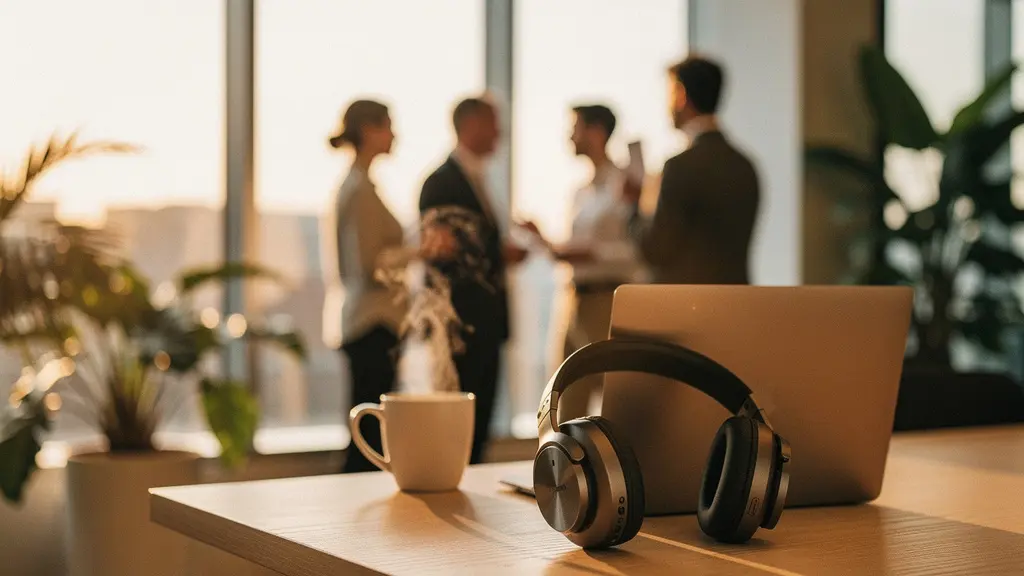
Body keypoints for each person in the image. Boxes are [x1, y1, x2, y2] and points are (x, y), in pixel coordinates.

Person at [325, 99, 455, 473]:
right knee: (367, 437)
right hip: (372, 322)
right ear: (369, 130)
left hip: (371, 321)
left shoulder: (359, 185)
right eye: (388, 126)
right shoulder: (359, 189)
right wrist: (422, 250)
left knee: (369, 431)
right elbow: (371, 264)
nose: (395, 135)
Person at [419, 96, 529, 464]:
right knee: (457, 429)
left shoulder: (477, 179)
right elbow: (440, 252)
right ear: (471, 125)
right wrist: (499, 255)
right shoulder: (440, 182)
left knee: (477, 428)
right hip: (460, 324)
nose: (500, 132)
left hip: (484, 323)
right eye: (494, 123)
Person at [540, 104, 646, 421]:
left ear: (597, 132)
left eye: (576, 128)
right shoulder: (580, 190)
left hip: (606, 301)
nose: (570, 136)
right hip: (573, 299)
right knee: (565, 397)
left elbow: (636, 250)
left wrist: (592, 253)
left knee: (614, 398)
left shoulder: (627, 185)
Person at [625, 56, 760, 284]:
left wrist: (633, 207)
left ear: (681, 95)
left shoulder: (679, 166)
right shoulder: (745, 165)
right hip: (736, 298)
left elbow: (655, 250)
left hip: (688, 300)